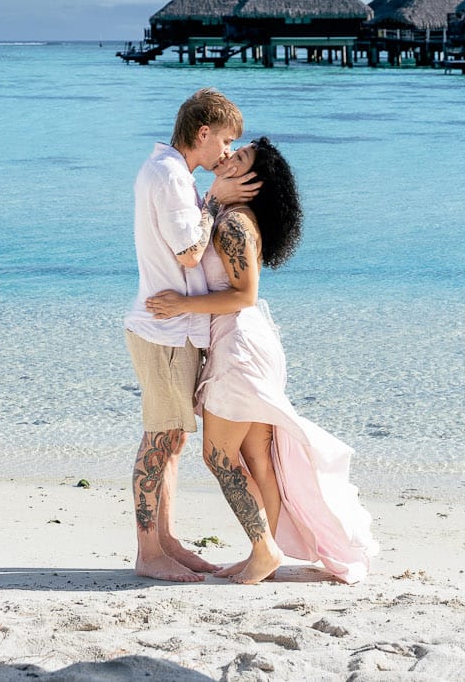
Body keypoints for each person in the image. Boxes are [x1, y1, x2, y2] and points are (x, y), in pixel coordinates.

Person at [146, 137, 377, 584]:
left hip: (240, 345)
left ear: (253, 181)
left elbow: (244, 294)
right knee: (258, 460)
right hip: (247, 341)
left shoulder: (234, 224)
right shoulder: (233, 217)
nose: (229, 155)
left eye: (242, 157)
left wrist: (179, 304)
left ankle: (264, 549)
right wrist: (212, 201)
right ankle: (263, 555)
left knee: (218, 455)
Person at [125, 88, 260, 583]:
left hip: (174, 329)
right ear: (203, 133)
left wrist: (206, 201)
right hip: (164, 330)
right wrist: (216, 201)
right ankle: (147, 552)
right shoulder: (169, 175)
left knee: (174, 439)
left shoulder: (170, 172)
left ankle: (165, 539)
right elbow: (187, 252)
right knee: (160, 438)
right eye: (224, 141)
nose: (226, 152)